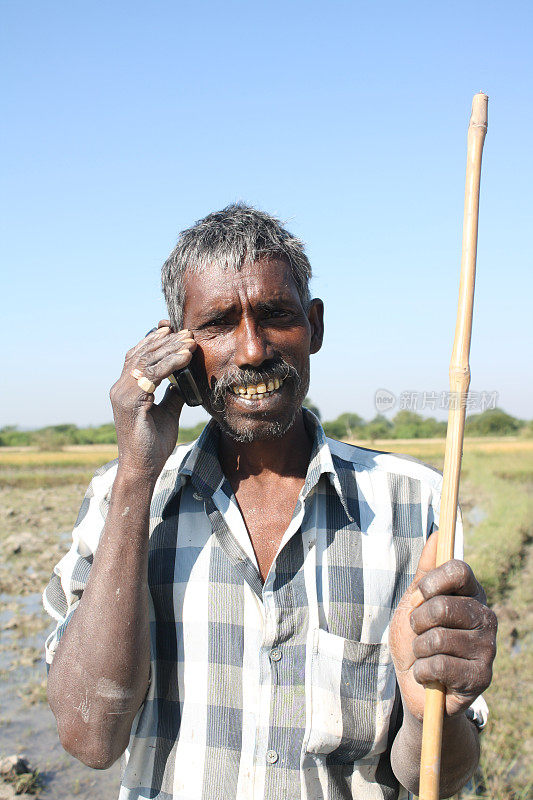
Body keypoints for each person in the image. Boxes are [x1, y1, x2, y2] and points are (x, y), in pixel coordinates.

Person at [43, 204, 497, 800]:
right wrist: (137, 471)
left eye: (276, 316)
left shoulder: (414, 503)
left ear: (314, 325)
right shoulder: (123, 498)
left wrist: (428, 709)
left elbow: (438, 774)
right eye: (219, 323)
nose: (252, 350)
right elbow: (90, 738)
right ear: (176, 345)